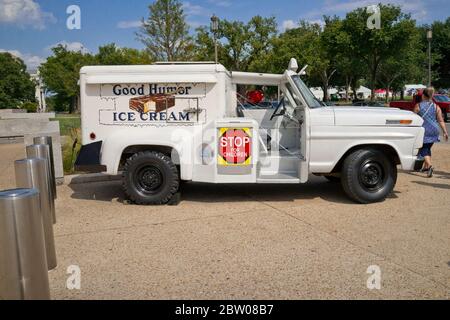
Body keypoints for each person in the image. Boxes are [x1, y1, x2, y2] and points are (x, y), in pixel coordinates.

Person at [414, 87, 449, 177]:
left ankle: (429, 167)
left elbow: (414, 118)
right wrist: (445, 132)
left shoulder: (418, 106)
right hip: (434, 130)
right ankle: (425, 167)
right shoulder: (436, 106)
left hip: (424, 130)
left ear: (423, 95)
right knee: (427, 148)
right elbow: (441, 120)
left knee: (423, 150)